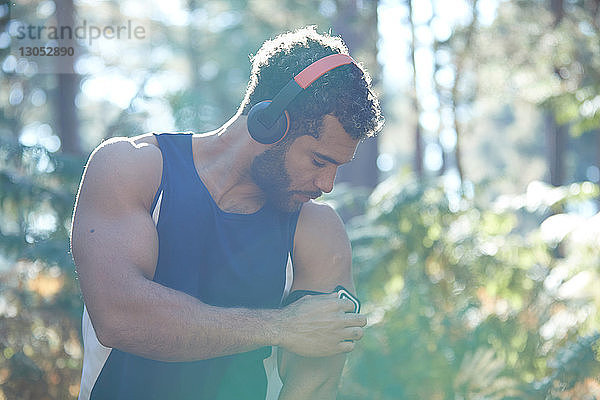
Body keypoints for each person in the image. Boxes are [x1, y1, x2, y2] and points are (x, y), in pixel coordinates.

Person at [71, 26, 383, 400]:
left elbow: (313, 383)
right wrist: (281, 328)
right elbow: (120, 317)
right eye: (319, 160)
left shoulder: (317, 231)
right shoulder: (134, 169)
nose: (328, 184)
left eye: (338, 167)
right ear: (270, 125)